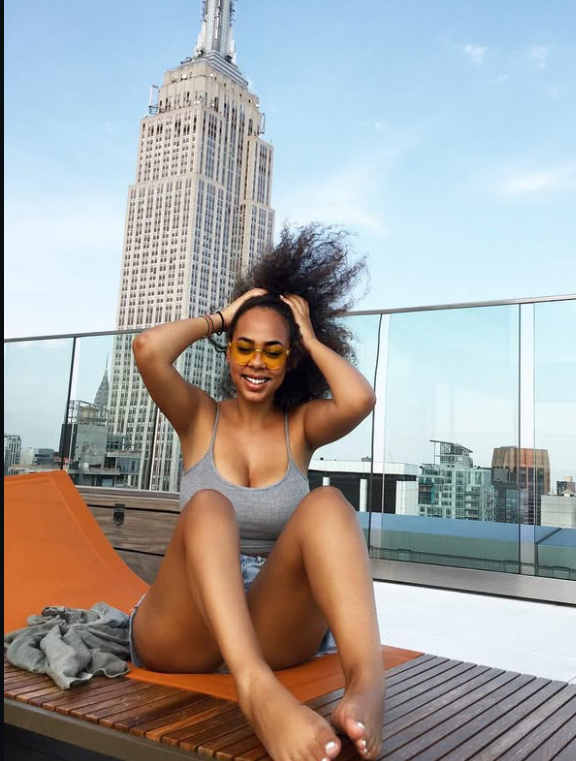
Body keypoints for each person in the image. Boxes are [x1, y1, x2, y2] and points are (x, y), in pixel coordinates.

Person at [130, 225, 385, 761]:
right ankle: (257, 693)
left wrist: (308, 337)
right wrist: (224, 316)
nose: (256, 362)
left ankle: (367, 686)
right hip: (185, 625)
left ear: (289, 361)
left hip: (270, 621)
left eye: (273, 352)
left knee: (329, 503)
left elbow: (359, 400)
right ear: (229, 352)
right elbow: (149, 349)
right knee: (208, 505)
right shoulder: (198, 417)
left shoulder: (301, 427)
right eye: (244, 347)